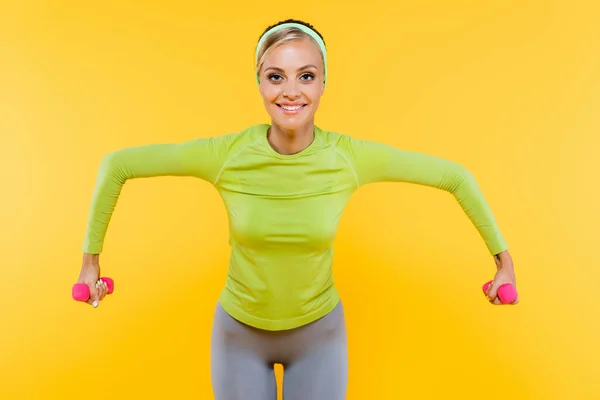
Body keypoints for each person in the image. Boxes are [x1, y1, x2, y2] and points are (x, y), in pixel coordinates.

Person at [76, 18, 518, 400]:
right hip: (238, 337)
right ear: (259, 83)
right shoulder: (226, 155)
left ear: (324, 82)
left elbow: (455, 177)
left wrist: (504, 262)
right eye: (275, 77)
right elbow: (118, 166)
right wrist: (89, 264)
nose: (291, 92)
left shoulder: (349, 158)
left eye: (306, 76)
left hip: (319, 337)